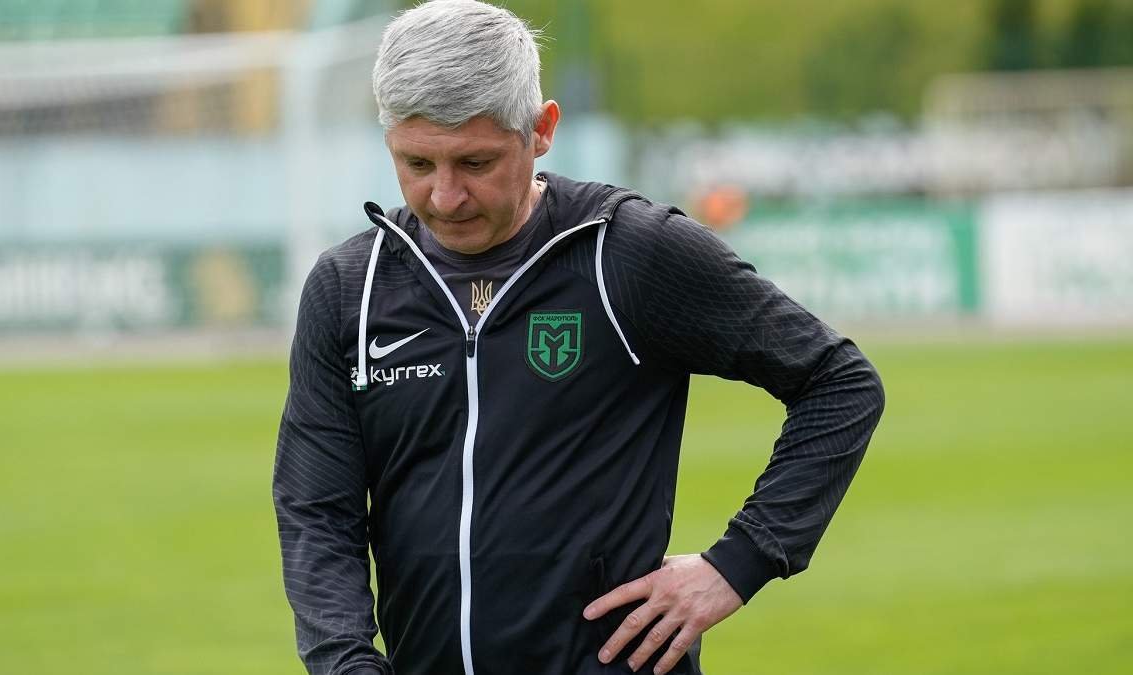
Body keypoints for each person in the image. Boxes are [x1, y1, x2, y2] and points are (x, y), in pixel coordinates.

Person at [272, 1, 885, 674]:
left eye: (475, 162)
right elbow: (316, 509)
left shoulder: (629, 254)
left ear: (542, 130)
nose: (445, 196)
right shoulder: (349, 288)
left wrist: (737, 563)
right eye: (417, 162)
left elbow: (838, 382)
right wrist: (346, 663)